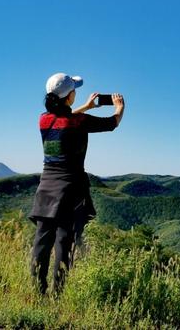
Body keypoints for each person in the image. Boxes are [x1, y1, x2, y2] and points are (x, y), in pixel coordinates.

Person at [29, 72, 125, 295]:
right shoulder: (79, 121)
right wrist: (119, 107)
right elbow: (112, 123)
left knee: (41, 244)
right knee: (65, 243)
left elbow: (64, 118)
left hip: (46, 189)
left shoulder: (43, 119)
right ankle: (57, 295)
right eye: (74, 90)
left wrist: (85, 106)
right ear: (69, 96)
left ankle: (37, 294)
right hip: (71, 190)